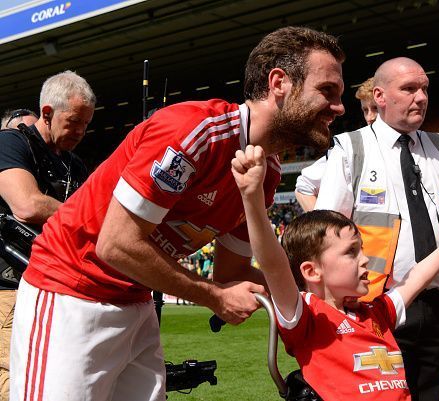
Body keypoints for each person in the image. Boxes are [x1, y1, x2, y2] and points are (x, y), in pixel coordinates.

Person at [10, 26, 345, 401]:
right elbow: (116, 245)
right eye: (326, 91)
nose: (339, 107)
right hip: (71, 293)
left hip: (136, 303)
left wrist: (317, 295)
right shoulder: (194, 130)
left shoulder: (265, 175)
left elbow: (231, 272)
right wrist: (214, 297)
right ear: (279, 83)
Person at [231, 144, 439, 401]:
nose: (365, 259)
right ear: (312, 271)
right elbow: (273, 264)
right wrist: (252, 197)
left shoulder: (378, 313)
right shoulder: (306, 317)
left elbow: (417, 278)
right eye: (351, 252)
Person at [315, 57, 439, 401]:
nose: (421, 97)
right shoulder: (350, 149)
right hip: (375, 309)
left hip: (436, 308)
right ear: (379, 96)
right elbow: (324, 237)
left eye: (424, 88)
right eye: (409, 89)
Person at [0, 72, 93, 401]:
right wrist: (89, 218)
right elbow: (26, 204)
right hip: (10, 288)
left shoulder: (76, 166)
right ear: (48, 112)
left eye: (86, 123)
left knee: (57, 378)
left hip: (59, 288)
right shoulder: (11, 142)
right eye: (73, 122)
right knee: (14, 377)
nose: (80, 131)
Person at [295, 77, 378, 211]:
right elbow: (304, 186)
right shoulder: (351, 147)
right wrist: (322, 227)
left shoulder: (418, 143)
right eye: (365, 110)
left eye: (375, 109)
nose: (370, 117)